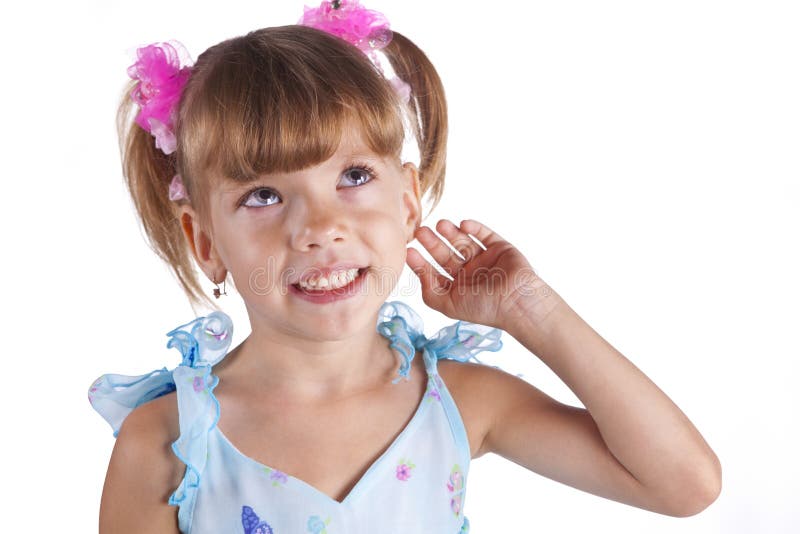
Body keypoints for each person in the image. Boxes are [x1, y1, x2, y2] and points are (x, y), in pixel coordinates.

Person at [89, 1, 722, 532]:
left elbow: (683, 485)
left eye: (354, 176)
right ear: (204, 241)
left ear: (409, 200)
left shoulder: (459, 400)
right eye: (262, 196)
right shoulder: (168, 440)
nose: (319, 228)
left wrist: (533, 310)